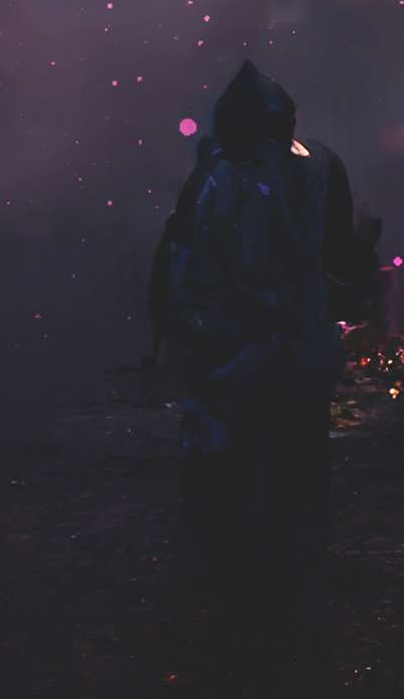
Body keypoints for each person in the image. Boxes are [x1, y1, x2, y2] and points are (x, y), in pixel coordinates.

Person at [149, 61, 354, 602]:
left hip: (254, 344)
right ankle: (261, 578)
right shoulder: (265, 173)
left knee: (257, 466)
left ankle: (254, 579)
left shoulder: (238, 175)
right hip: (252, 343)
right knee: (265, 466)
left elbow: (182, 258)